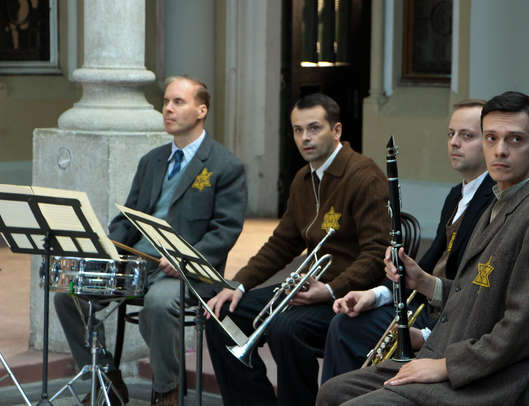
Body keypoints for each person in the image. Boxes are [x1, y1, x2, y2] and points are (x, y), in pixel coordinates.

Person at [317, 91, 529, 406]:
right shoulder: (501, 200)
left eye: (515, 140)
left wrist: (443, 366)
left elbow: (524, 330)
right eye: (491, 138)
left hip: (488, 381)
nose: (499, 150)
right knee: (332, 392)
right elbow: (475, 291)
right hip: (448, 354)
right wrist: (424, 281)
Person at [54, 75, 247, 406]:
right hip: (136, 264)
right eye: (166, 102)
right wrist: (103, 251)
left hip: (188, 272)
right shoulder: (152, 161)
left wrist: (186, 259)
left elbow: (225, 231)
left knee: (158, 304)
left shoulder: (225, 166)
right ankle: (106, 378)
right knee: (67, 293)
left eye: (178, 102)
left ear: (202, 110)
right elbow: (127, 218)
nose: (168, 109)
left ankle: (166, 389)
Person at [204, 93, 390, 406]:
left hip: (349, 294)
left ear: (337, 130)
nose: (305, 137)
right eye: (297, 130)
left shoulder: (363, 177)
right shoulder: (304, 179)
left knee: (285, 328)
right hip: (309, 288)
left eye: (314, 128)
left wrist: (330, 289)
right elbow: (281, 243)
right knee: (223, 314)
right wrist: (239, 283)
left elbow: (376, 254)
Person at [321, 99, 495, 382]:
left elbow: (478, 294)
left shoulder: (494, 201)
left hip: (451, 319)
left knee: (348, 332)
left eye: (467, 135)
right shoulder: (457, 194)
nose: (454, 143)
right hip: (426, 305)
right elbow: (427, 264)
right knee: (343, 325)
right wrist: (375, 295)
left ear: (489, 142)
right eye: (451, 134)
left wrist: (424, 335)